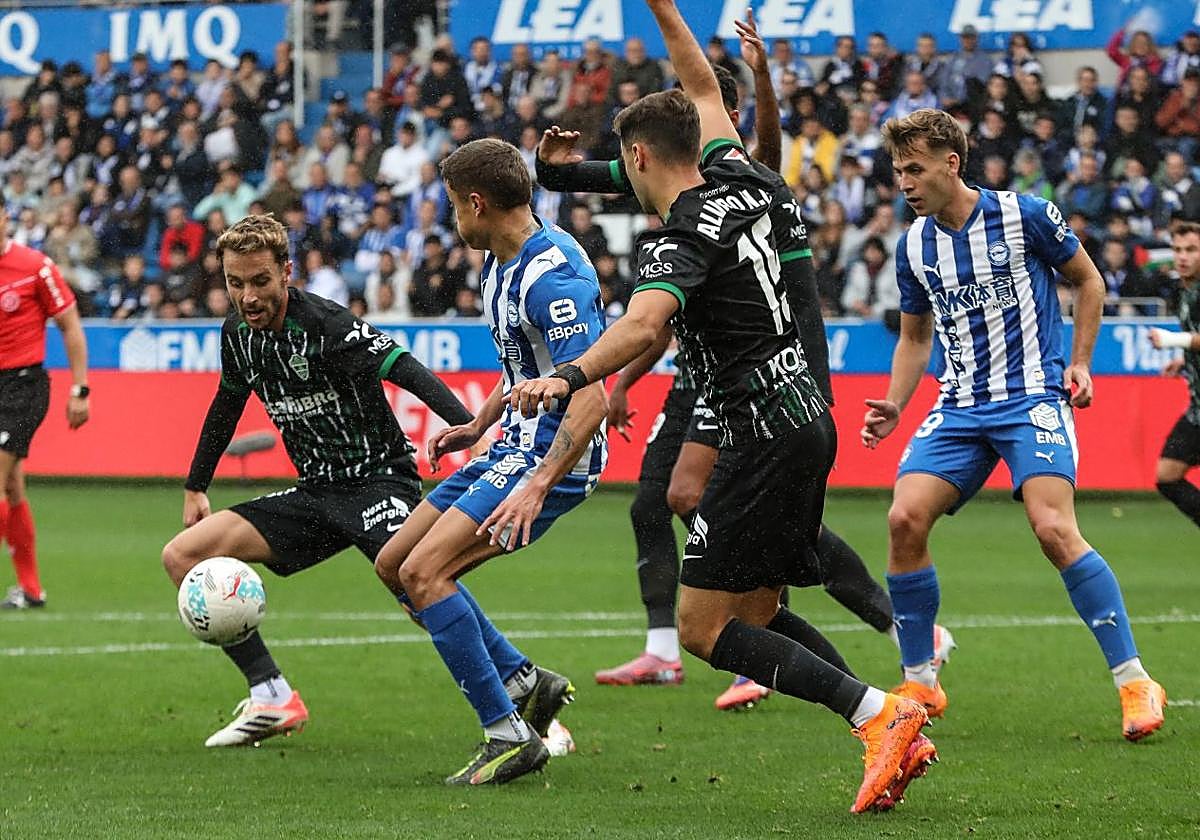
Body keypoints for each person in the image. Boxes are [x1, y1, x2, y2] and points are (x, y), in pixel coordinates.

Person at [507, 0, 934, 814]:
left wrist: (565, 377)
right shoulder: (740, 178)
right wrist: (665, 9)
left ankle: (882, 715)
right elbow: (701, 83)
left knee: (705, 629)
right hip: (803, 414)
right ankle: (888, 717)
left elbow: (643, 322)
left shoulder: (679, 239)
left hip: (760, 434)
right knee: (762, 608)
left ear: (638, 154)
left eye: (620, 166)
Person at [862, 108, 1166, 743]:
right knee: (902, 519)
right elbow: (915, 338)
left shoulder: (1024, 214)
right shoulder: (913, 245)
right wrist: (895, 402)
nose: (906, 183)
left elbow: (1088, 281)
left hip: (1030, 397)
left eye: (915, 169)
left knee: (1053, 528)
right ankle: (920, 677)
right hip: (961, 405)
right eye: (897, 172)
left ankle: (1135, 680)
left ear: (952, 162)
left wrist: (1079, 363)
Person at [159, 214, 475, 747]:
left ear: (286, 272)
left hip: (378, 483)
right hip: (317, 493)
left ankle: (524, 697)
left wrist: (465, 424)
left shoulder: (325, 323)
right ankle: (272, 696)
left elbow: (403, 366)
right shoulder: (238, 335)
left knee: (421, 587)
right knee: (182, 557)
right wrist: (196, 484)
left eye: (260, 281)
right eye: (236, 283)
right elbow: (226, 404)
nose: (248, 296)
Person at [372, 138, 607, 786]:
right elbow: (529, 369)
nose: (452, 220)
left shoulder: (550, 275)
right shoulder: (501, 263)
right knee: (394, 565)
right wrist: (478, 422)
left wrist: (538, 483)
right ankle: (525, 681)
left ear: (477, 203)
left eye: (452, 206)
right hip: (511, 445)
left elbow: (592, 395)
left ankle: (508, 734)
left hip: (555, 457)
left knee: (425, 573)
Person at [0, 206, 89, 609]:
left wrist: (80, 389)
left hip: (23, 385)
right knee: (12, 486)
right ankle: (31, 589)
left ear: (5, 217)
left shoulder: (35, 267)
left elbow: (70, 325)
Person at [1148, 221, 1200, 528]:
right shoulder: (1186, 291)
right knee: (1167, 475)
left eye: (1191, 250)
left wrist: (1171, 341)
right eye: (1178, 250)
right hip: (1197, 411)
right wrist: (1184, 359)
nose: (1182, 257)